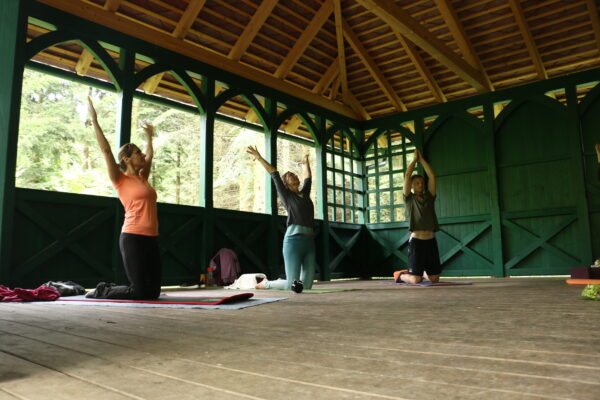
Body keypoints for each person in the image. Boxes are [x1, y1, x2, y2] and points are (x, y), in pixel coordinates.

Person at [85, 97, 162, 299]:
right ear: (126, 159)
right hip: (132, 237)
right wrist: (94, 120)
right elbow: (106, 150)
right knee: (138, 291)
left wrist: (150, 137)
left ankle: (117, 289)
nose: (142, 156)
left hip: (152, 239)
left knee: (153, 293)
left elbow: (150, 155)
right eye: (138, 153)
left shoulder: (143, 178)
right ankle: (104, 289)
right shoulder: (119, 179)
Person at [246, 146, 316, 292]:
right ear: (286, 183)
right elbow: (274, 173)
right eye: (291, 175)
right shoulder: (287, 196)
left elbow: (308, 177)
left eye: (295, 175)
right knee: (293, 284)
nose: (295, 176)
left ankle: (280, 282)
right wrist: (259, 157)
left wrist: (305, 162)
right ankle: (267, 284)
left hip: (309, 242)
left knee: (307, 286)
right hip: (293, 242)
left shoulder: (305, 194)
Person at [396, 149, 441, 284]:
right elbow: (407, 175)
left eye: (422, 182)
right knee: (415, 280)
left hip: (431, 241)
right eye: (416, 183)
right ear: (412, 185)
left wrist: (422, 161)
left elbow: (432, 176)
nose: (420, 185)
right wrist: (415, 160)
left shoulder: (430, 197)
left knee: (434, 279)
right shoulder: (409, 199)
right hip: (417, 242)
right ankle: (401, 275)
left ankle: (423, 273)